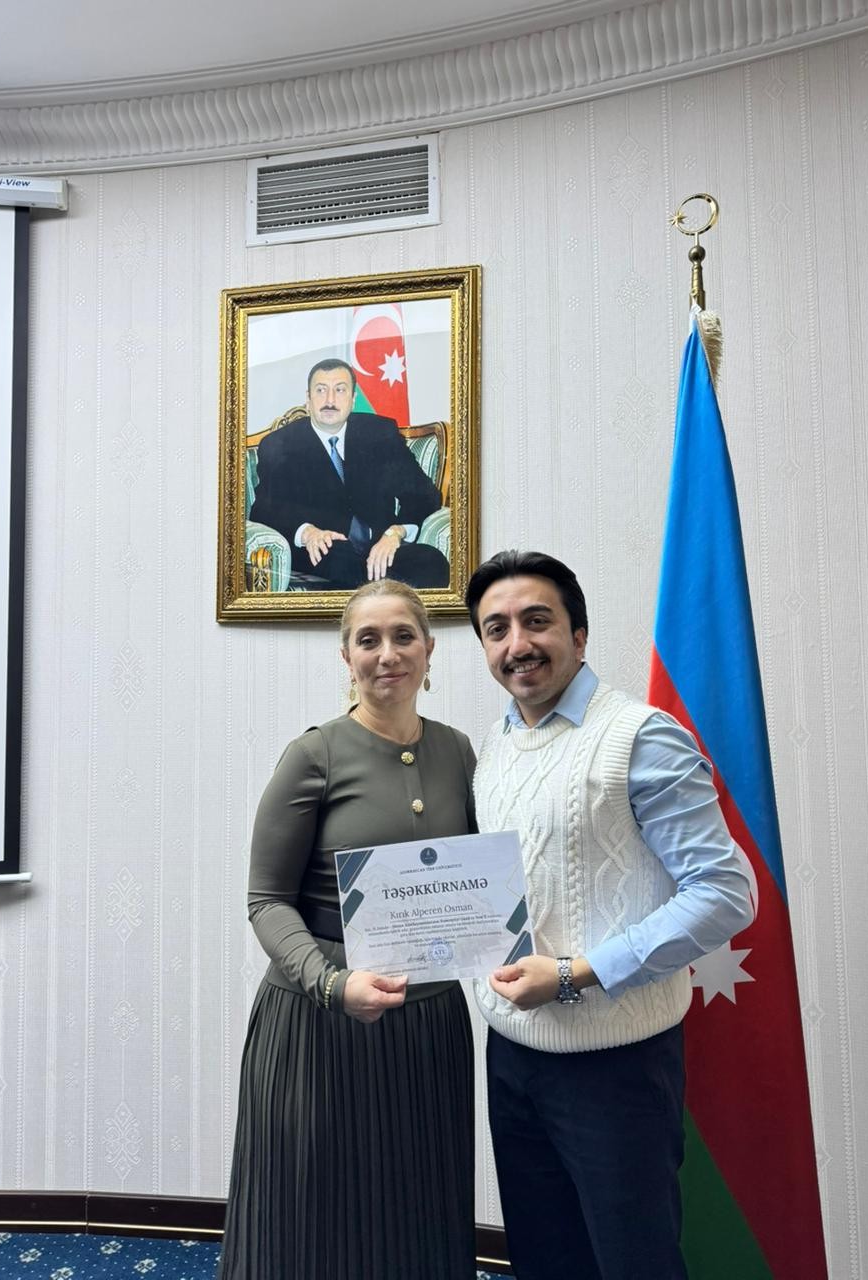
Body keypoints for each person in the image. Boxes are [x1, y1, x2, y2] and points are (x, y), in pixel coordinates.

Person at [464, 550, 755, 1280]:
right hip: (512, 1057)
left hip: (616, 1069)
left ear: (579, 634)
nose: (517, 644)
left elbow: (725, 891)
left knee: (633, 1263)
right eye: (496, 629)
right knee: (545, 1259)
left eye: (537, 621)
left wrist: (575, 973)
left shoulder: (640, 735)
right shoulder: (496, 744)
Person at [218, 579, 476, 1280]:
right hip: (318, 1026)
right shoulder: (314, 755)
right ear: (346, 657)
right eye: (369, 639)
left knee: (418, 1207)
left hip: (428, 1026)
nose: (387, 654)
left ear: (429, 650)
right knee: (306, 1219)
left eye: (403, 636)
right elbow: (267, 901)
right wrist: (333, 985)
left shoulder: (459, 752)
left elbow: (477, 884)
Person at [250, 358, 450, 588]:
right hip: (324, 552)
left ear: (353, 398)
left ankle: (381, 596)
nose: (330, 400)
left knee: (431, 562)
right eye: (321, 390)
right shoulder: (280, 444)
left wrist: (395, 533)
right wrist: (307, 533)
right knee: (340, 562)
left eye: (340, 390)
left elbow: (423, 495)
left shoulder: (380, 434)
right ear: (308, 399)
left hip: (381, 549)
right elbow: (264, 510)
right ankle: (379, 597)